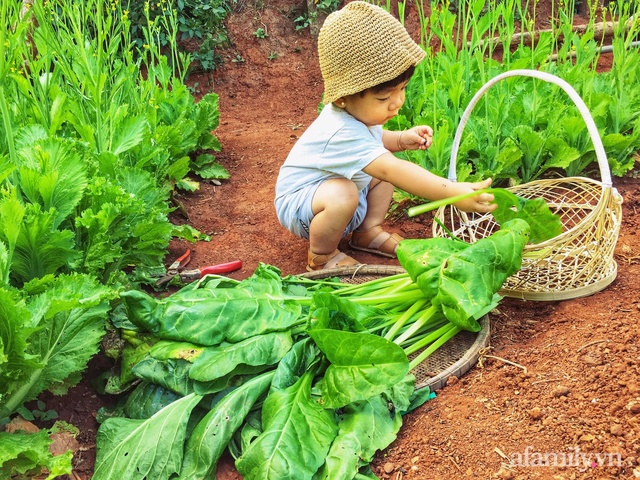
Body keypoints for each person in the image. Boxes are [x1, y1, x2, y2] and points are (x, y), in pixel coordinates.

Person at [274, 1, 497, 271]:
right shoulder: (340, 130)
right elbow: (392, 170)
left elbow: (377, 141)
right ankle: (322, 255)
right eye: (384, 97)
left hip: (343, 199)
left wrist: (402, 139)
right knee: (353, 186)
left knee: (372, 171)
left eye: (402, 89)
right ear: (343, 98)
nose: (397, 102)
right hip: (303, 207)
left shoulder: (360, 115)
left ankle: (368, 231)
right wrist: (451, 194)